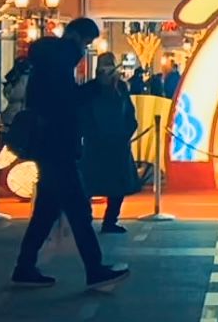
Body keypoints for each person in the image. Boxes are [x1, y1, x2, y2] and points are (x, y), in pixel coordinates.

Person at [11, 19, 130, 289]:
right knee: (78, 210)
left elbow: (61, 100)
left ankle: (25, 265)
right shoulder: (61, 61)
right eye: (86, 42)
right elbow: (66, 103)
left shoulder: (48, 62)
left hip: (49, 145)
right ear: (78, 37)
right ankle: (94, 269)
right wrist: (96, 86)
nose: (84, 49)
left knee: (47, 211)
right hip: (58, 147)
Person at [81, 53, 140, 234]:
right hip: (96, 144)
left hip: (117, 144)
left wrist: (125, 134)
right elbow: (83, 116)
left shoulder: (120, 88)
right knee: (89, 184)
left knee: (117, 186)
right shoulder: (89, 89)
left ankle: (110, 220)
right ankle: (84, 218)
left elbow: (129, 114)